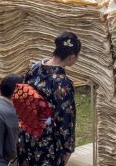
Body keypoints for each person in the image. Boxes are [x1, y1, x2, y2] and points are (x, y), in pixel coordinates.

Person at [17, 31, 81, 166]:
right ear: (71, 57)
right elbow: (65, 120)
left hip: (25, 135)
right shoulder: (63, 84)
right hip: (47, 143)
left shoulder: (34, 68)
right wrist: (67, 149)